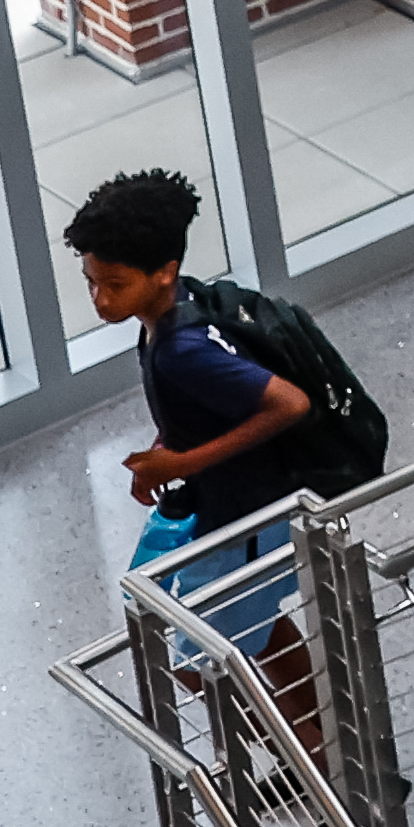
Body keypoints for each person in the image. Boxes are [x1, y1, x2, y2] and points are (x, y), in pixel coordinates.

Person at [70, 167, 342, 767]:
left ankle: (319, 764)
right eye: (91, 283)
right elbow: (209, 404)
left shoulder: (183, 349)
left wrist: (182, 459)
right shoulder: (178, 312)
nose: (100, 300)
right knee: (250, 628)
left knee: (192, 656)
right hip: (234, 500)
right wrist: (171, 446)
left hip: (249, 510)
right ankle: (320, 749)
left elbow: (288, 405)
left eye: (113, 284)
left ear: (163, 272)